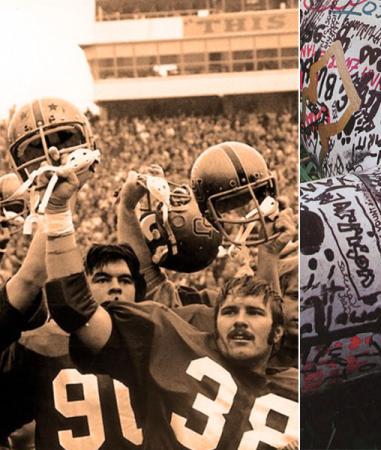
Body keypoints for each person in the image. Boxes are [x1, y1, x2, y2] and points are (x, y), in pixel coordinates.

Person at [37, 155, 299, 448]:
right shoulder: (170, 341)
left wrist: (269, 254)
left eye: (252, 313)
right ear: (212, 321)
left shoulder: (298, 387)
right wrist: (58, 212)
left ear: (276, 330)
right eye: (228, 311)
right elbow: (74, 308)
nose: (240, 320)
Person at [0, 244, 148, 449]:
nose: (116, 287)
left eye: (125, 280)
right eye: (102, 279)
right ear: (79, 290)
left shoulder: (155, 341)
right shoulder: (36, 346)